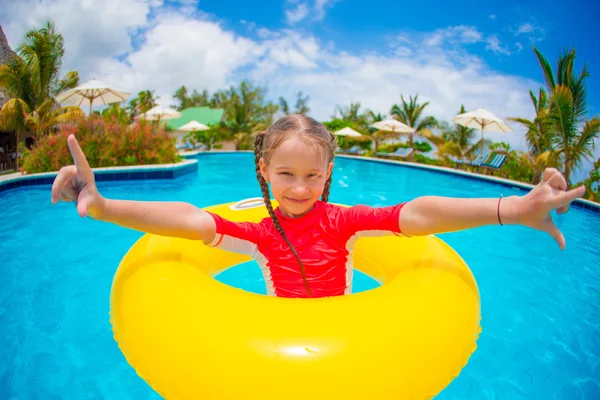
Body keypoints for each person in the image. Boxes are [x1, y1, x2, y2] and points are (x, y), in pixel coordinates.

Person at [51, 115, 585, 298]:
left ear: (328, 175)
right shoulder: (259, 233)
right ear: (264, 172)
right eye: (286, 175)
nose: (300, 188)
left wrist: (510, 208)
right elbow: (191, 221)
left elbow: (415, 215)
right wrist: (102, 204)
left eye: (312, 176)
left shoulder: (343, 222)